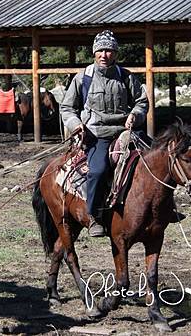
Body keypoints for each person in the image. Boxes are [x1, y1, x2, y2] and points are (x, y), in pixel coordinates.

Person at [60, 30, 148, 237]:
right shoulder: (83, 79)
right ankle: (95, 216)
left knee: (160, 159)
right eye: (100, 50)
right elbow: (67, 107)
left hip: (125, 132)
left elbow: (142, 102)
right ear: (94, 53)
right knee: (98, 170)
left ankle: (165, 207)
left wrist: (135, 114)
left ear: (115, 53)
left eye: (108, 50)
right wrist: (75, 125)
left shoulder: (126, 76)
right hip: (96, 134)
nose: (104, 55)